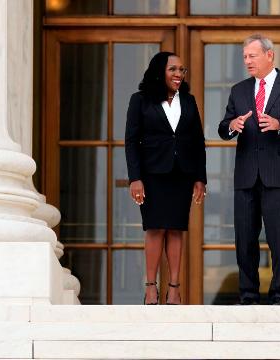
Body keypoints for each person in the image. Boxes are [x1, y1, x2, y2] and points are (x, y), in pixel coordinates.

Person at [218, 34, 280, 305]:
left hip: (279, 175)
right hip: (246, 176)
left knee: (279, 240)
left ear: (269, 55)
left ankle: (279, 296)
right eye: (245, 57)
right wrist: (231, 125)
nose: (247, 61)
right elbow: (223, 127)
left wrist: (279, 124)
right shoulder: (238, 90)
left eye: (252, 56)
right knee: (245, 240)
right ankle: (248, 296)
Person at [125, 52, 206, 305]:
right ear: (160, 71)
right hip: (152, 175)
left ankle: (173, 288)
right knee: (155, 228)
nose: (178, 75)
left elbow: (197, 142)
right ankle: (151, 287)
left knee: (176, 229)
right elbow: (131, 141)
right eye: (173, 69)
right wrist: (135, 178)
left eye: (182, 70)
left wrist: (200, 178)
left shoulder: (189, 101)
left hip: (182, 174)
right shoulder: (140, 101)